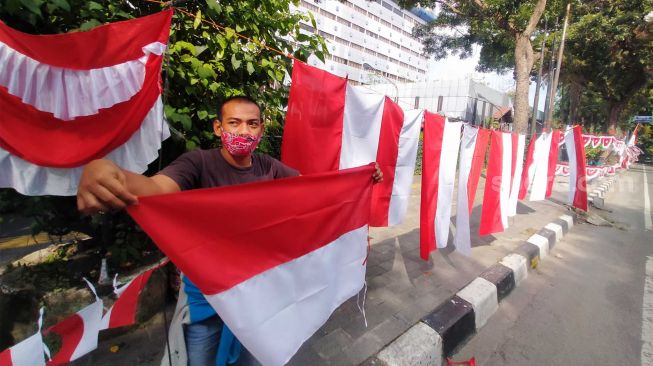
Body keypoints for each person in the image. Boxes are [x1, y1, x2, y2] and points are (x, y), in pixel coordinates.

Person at [77, 96, 383, 366]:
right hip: (206, 289)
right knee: (201, 356)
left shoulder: (269, 167)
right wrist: (109, 173)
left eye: (252, 124)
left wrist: (360, 180)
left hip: (258, 287)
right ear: (218, 128)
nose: (243, 132)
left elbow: (314, 192)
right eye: (234, 123)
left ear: (261, 131)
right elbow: (157, 190)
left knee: (256, 353)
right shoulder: (197, 163)